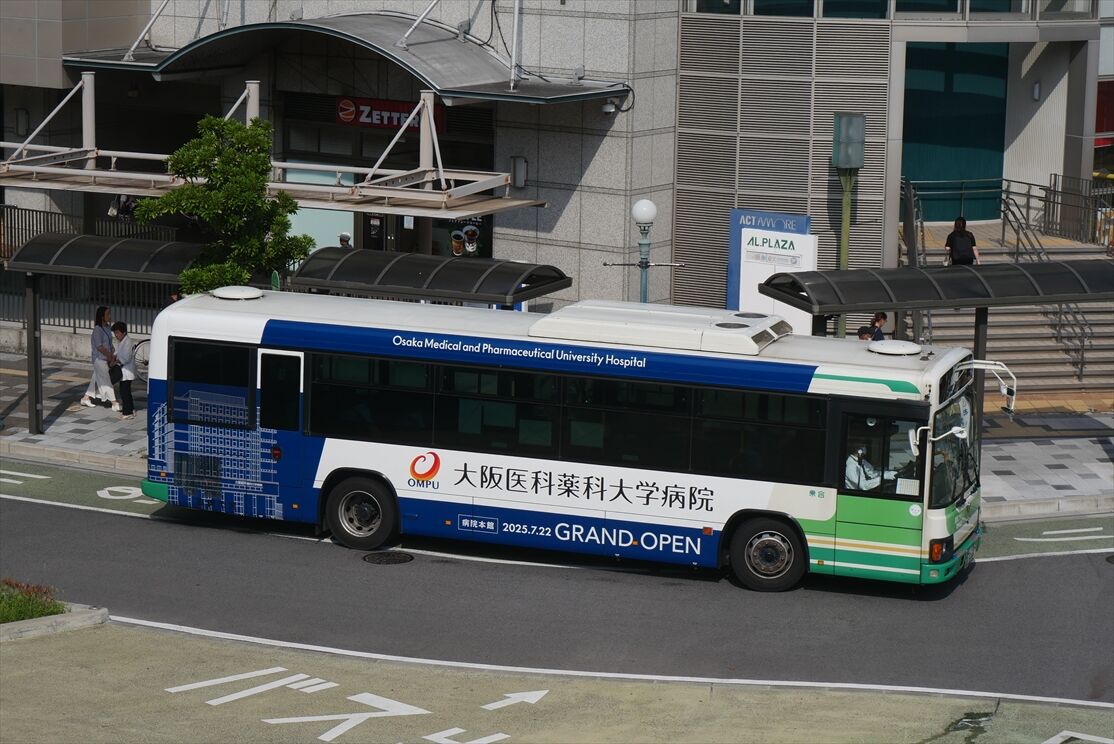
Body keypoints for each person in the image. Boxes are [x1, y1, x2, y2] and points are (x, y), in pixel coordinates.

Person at [80, 306, 120, 411]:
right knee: (106, 380)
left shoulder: (107, 328)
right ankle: (114, 402)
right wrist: (110, 356)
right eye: (108, 314)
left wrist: (112, 351)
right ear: (102, 317)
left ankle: (86, 398)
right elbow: (99, 347)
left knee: (96, 379)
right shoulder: (97, 330)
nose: (110, 316)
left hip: (106, 358)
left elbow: (109, 343)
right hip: (99, 359)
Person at [111, 321, 137, 419]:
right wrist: (112, 356)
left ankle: (127, 413)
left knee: (124, 392)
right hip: (125, 372)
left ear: (124, 332)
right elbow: (118, 352)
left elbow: (126, 357)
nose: (116, 335)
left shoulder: (128, 342)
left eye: (117, 333)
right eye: (115, 333)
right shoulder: (123, 341)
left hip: (127, 371)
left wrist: (116, 361)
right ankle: (131, 409)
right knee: (126, 392)